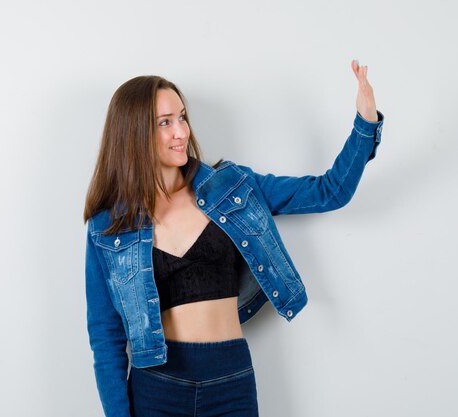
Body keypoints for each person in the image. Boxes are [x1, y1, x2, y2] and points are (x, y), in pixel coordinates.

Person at [82, 60, 384, 417]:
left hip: (231, 380)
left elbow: (327, 192)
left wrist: (365, 125)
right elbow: (106, 336)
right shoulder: (109, 226)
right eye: (165, 123)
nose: (180, 131)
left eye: (182, 117)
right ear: (133, 133)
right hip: (158, 386)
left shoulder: (233, 187)